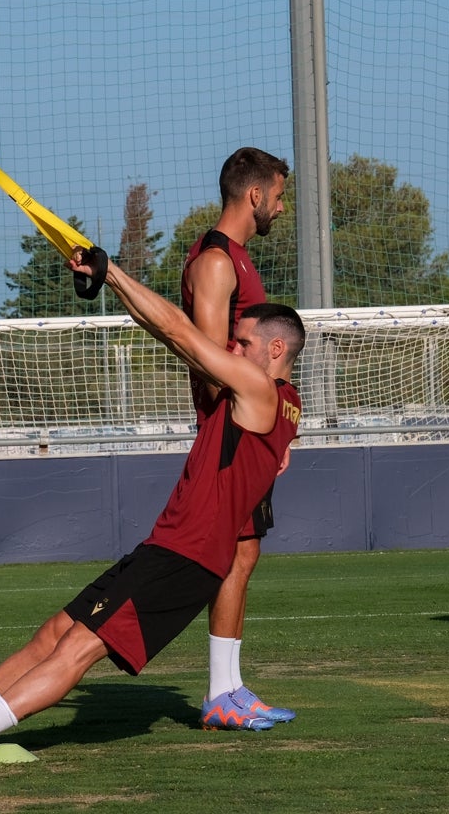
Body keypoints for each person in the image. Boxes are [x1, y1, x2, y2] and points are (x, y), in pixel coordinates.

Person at [0, 249, 305, 757]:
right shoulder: (285, 399)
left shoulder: (258, 387)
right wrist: (112, 283)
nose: (232, 350)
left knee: (79, 649)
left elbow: (179, 331)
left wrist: (115, 274)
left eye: (242, 343)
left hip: (186, 558)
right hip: (167, 547)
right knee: (55, 633)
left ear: (275, 349)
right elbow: (172, 336)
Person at [182, 147, 295, 730]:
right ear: (254, 195)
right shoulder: (218, 261)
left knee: (244, 553)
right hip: (230, 432)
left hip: (252, 428)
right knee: (229, 553)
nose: (281, 205)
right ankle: (219, 694)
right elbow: (206, 357)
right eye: (278, 194)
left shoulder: (240, 260)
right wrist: (252, 422)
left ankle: (229, 687)